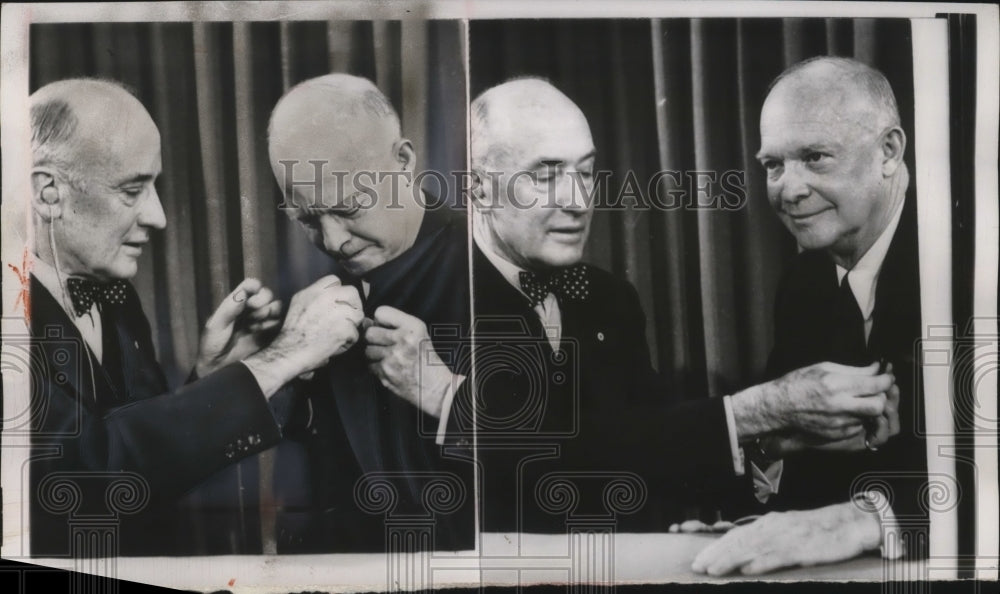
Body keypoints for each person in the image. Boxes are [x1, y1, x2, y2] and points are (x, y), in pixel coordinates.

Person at [370, 77, 898, 534]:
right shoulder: (413, 301)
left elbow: (646, 448)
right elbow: (546, 468)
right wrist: (754, 410)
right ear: (481, 189)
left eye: (584, 172)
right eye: (546, 174)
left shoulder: (608, 299)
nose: (577, 201)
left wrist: (774, 442)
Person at [27, 78, 364, 556]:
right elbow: (87, 479)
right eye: (132, 190)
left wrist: (210, 378)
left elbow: (144, 462)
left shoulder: (117, 297)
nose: (158, 216)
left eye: (155, 187)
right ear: (48, 193)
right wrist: (284, 356)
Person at [692, 56, 924, 576]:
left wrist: (863, 521)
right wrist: (747, 505)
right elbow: (789, 463)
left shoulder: (971, 265)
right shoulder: (803, 283)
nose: (787, 190)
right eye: (773, 164)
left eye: (815, 157)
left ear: (889, 151)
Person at [265, 74, 473, 552]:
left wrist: (447, 396)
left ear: (402, 161)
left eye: (351, 206)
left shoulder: (491, 269)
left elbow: (571, 457)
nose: (334, 241)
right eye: (308, 219)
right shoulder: (317, 295)